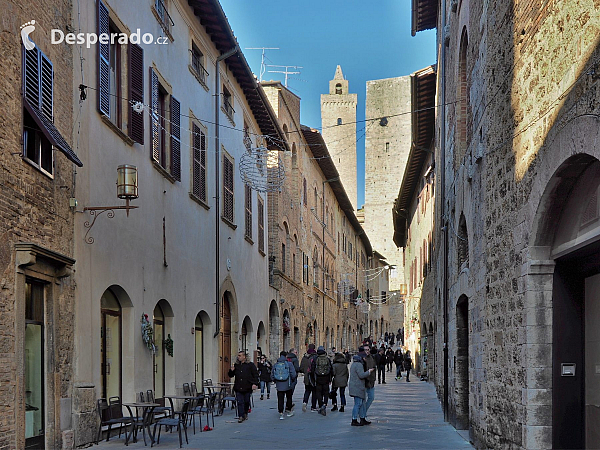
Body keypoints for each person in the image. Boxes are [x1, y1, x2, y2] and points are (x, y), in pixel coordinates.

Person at [228, 351, 259, 423]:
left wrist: (255, 383)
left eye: (240, 356)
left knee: (246, 401)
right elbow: (230, 375)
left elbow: (255, 375)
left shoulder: (250, 365)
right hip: (238, 386)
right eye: (238, 356)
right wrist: (231, 370)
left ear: (244, 357)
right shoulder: (236, 365)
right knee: (240, 402)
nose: (238, 357)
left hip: (247, 386)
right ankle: (241, 416)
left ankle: (245, 413)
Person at [348, 353, 375, 426]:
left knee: (361, 403)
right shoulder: (359, 365)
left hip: (355, 386)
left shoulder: (354, 364)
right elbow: (361, 375)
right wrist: (369, 371)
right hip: (357, 387)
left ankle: (362, 418)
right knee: (358, 404)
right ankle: (354, 419)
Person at [272, 351, 297, 420]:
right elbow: (293, 374)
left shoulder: (276, 364)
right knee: (289, 397)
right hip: (288, 384)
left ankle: (281, 413)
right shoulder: (289, 364)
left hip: (279, 385)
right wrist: (292, 380)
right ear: (286, 356)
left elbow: (272, 375)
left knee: (280, 398)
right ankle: (288, 411)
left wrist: (276, 381)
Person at [311, 346, 333, 416]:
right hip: (326, 378)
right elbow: (331, 370)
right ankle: (325, 404)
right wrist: (330, 379)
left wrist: (313, 378)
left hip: (318, 378)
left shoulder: (315, 359)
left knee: (318, 392)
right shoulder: (327, 359)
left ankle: (321, 404)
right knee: (326, 392)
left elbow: (312, 369)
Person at [299, 343, 318, 412]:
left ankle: (305, 402)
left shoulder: (305, 357)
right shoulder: (316, 357)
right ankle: (313, 407)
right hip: (314, 377)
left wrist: (305, 371)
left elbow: (301, 368)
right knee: (314, 392)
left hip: (307, 377)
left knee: (307, 391)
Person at [363, 347, 377, 420]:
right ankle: (363, 414)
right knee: (363, 399)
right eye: (365, 350)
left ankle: (363, 412)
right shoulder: (360, 359)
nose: (367, 351)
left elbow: (374, 367)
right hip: (364, 381)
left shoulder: (372, 357)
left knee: (371, 397)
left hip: (371, 380)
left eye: (368, 349)